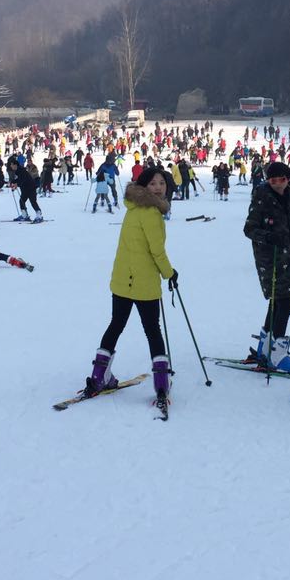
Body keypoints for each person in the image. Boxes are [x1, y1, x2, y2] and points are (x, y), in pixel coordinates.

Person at [83, 167, 176, 408]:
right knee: (152, 330)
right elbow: (157, 251)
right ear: (144, 187)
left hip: (122, 281)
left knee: (116, 324)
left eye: (162, 183)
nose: (158, 187)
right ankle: (161, 382)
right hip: (143, 283)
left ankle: (99, 375)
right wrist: (170, 273)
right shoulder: (152, 214)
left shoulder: (133, 208)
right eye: (153, 183)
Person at [242, 160, 290, 372]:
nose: (278, 183)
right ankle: (277, 354)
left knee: (277, 304)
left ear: (288, 179)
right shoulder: (262, 198)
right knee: (285, 304)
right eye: (273, 180)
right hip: (270, 259)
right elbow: (249, 229)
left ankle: (265, 348)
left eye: (283, 179)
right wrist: (268, 237)